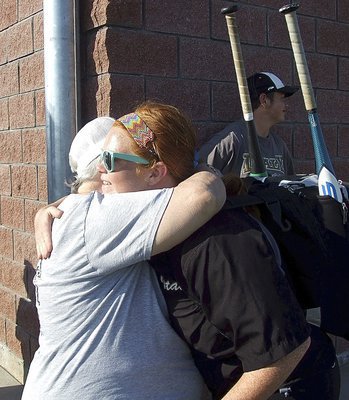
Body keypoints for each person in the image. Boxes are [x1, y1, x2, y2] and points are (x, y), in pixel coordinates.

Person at [23, 102, 226, 400]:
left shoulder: (75, 215)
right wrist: (203, 169)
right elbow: (203, 194)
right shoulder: (95, 218)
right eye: (106, 159)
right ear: (100, 171)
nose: (107, 167)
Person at [151, 173, 341, 400]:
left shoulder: (218, 242)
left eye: (111, 160)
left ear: (155, 172)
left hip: (294, 383)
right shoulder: (161, 238)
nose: (102, 170)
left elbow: (283, 350)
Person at [199, 72, 298, 177]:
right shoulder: (233, 139)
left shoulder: (279, 146)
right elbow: (198, 169)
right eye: (282, 99)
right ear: (264, 100)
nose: (286, 105)